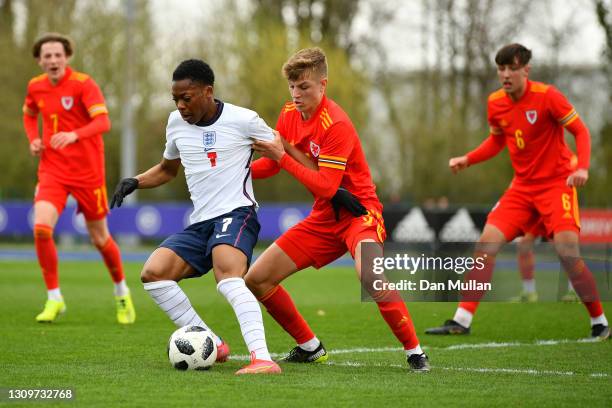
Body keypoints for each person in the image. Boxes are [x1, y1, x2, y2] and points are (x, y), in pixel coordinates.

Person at [245, 47, 430, 371]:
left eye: (304, 87)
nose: (296, 94)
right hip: (323, 218)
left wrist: (281, 157)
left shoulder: (336, 124)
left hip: (361, 214)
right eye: (292, 86)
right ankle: (310, 346)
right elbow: (275, 166)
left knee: (370, 274)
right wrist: (237, 172)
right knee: (257, 278)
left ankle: (415, 352)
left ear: (323, 85)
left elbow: (327, 186)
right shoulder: (289, 113)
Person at [425, 43, 609, 340]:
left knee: (568, 254)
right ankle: (461, 319)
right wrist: (468, 159)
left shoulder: (548, 97)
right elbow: (497, 141)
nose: (506, 74)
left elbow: (581, 131)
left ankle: (600, 322)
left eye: (512, 68)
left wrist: (583, 168)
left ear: (526, 69)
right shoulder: (496, 102)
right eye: (501, 68)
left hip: (556, 185)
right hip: (522, 189)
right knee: (485, 244)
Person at [110, 59, 281, 375]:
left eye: (186, 97)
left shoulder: (244, 120)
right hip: (201, 222)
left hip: (237, 213)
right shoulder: (175, 123)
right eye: (175, 98)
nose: (180, 105)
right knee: (154, 273)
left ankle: (263, 359)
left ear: (208, 92)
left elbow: (281, 150)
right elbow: (166, 170)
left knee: (227, 274)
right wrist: (136, 181)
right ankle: (213, 344)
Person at [23, 33, 135, 324]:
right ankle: (54, 298)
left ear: (67, 57)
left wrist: (74, 134)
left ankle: (122, 292)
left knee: (100, 238)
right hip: (52, 170)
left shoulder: (84, 84)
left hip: (87, 173)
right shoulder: (35, 86)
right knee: (41, 229)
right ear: (39, 60)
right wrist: (34, 139)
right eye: (46, 56)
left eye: (57, 55)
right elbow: (28, 114)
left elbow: (103, 121)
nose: (52, 60)